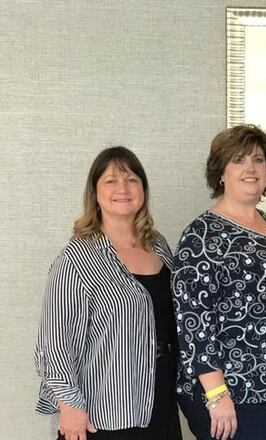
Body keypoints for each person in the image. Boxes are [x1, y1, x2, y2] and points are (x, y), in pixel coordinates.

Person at [171, 124, 266, 440]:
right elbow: (194, 321)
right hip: (234, 395)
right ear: (221, 173)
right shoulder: (202, 235)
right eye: (238, 160)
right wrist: (217, 395)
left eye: (258, 160)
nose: (250, 168)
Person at [35, 146, 182, 440]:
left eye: (131, 179)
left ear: (143, 189)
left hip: (160, 398)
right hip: (104, 410)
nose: (123, 189)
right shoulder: (76, 258)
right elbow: (54, 343)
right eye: (111, 181)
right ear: (95, 193)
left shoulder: (159, 246)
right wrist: (70, 406)